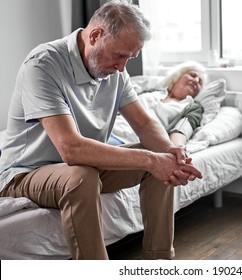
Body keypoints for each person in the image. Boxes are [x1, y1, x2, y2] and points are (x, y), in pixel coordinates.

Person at [0, 1, 202, 260]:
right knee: (82, 176)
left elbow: (143, 123)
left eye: (129, 59)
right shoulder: (43, 64)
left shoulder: (117, 73)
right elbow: (71, 149)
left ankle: (159, 260)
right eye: (119, 56)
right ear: (95, 35)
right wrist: (152, 159)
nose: (122, 67)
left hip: (87, 166)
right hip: (27, 173)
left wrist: (169, 151)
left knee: (161, 160)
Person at [110, 61, 207, 148]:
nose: (196, 81)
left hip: (126, 139)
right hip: (108, 129)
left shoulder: (191, 106)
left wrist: (176, 148)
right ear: (178, 76)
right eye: (193, 75)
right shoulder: (154, 91)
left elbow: (182, 129)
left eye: (200, 82)